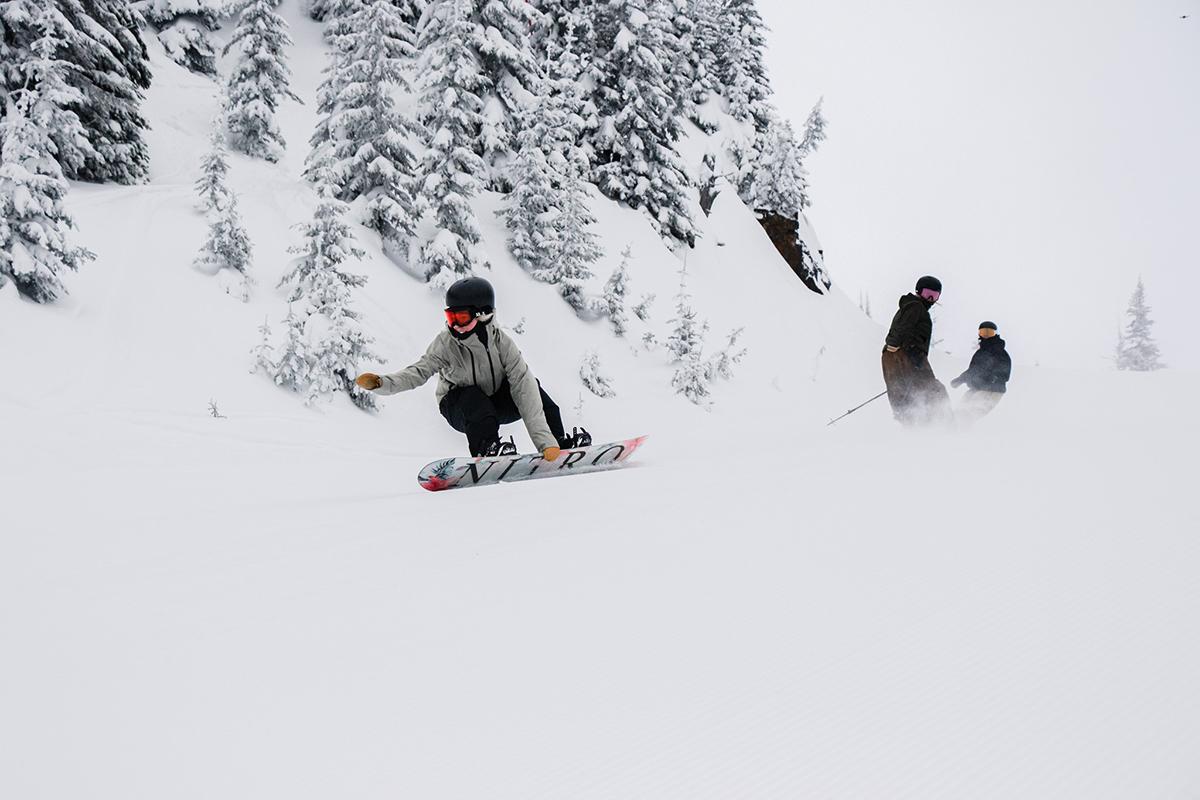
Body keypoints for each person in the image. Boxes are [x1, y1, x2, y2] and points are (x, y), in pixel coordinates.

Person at [354, 277, 590, 459]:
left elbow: (523, 388)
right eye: (450, 317)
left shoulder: (502, 343)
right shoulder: (446, 344)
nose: (455, 324)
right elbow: (418, 372)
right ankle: (487, 448)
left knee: (532, 387)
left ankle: (559, 442)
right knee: (472, 396)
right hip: (460, 409)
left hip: (494, 404)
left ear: (484, 314)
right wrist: (382, 383)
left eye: (462, 317)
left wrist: (546, 443)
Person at [881, 275, 953, 426]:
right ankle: (945, 425)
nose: (931, 299)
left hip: (892, 356)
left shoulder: (911, 305)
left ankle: (912, 426)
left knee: (902, 392)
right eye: (928, 294)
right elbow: (903, 326)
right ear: (918, 291)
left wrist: (893, 345)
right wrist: (894, 343)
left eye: (935, 296)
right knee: (933, 390)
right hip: (908, 354)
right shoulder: (915, 306)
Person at [950, 321, 1012, 425]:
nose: (986, 335)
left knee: (970, 413)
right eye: (984, 332)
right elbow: (973, 370)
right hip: (976, 389)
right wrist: (960, 379)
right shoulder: (980, 352)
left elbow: (1005, 371)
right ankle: (950, 429)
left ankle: (961, 433)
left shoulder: (1000, 352)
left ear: (995, 334)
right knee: (958, 411)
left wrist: (995, 378)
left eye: (990, 332)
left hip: (992, 390)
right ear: (979, 334)